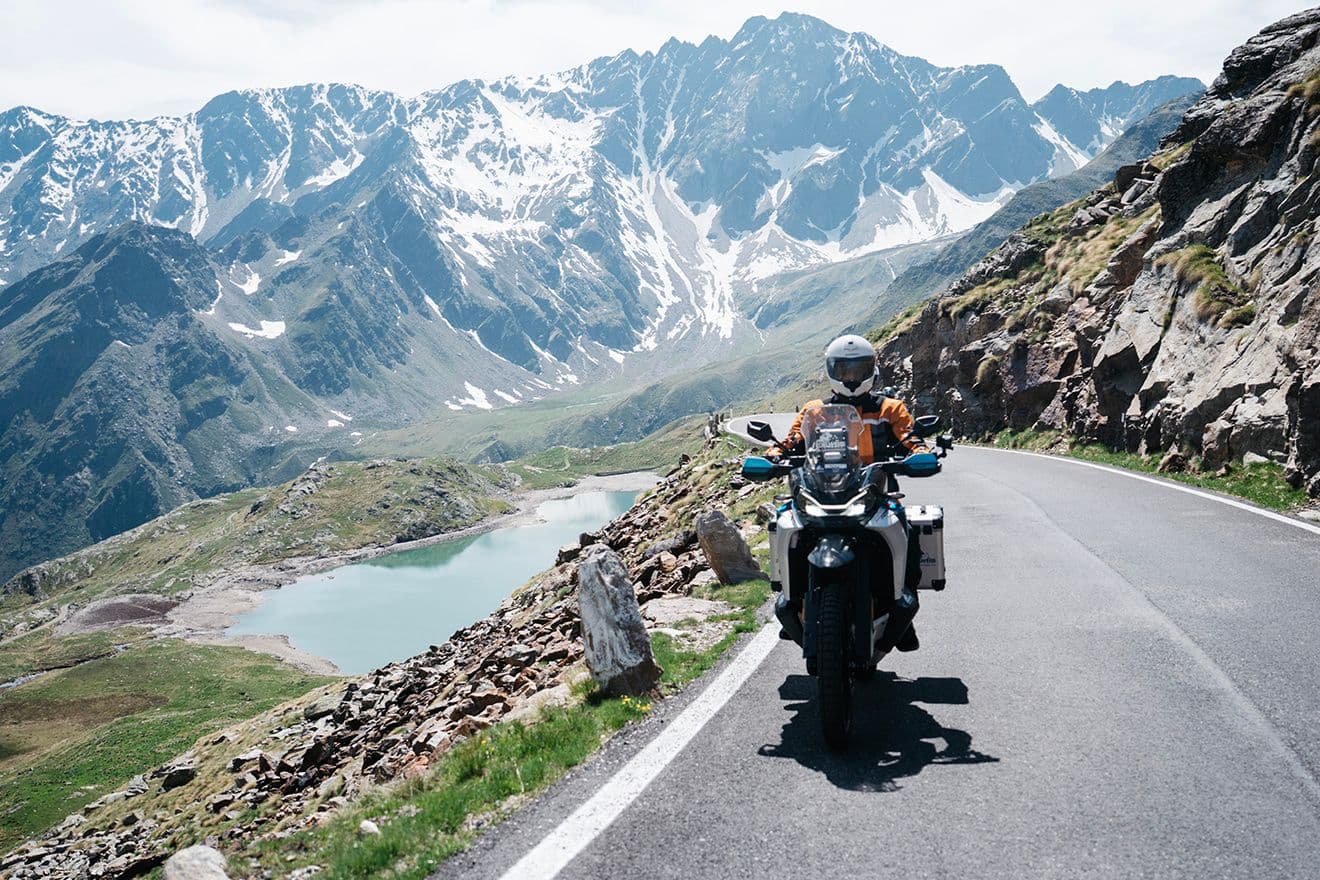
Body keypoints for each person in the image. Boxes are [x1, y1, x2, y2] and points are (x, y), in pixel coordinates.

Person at [768, 334, 927, 652]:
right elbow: (792, 440)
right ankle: (796, 601)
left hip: (874, 492)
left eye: (858, 370)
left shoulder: (890, 408)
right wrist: (775, 453)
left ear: (871, 369)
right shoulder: (815, 411)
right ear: (831, 371)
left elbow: (910, 438)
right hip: (823, 489)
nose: (851, 378)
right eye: (844, 370)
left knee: (907, 531)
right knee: (788, 524)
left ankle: (902, 612)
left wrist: (921, 452)